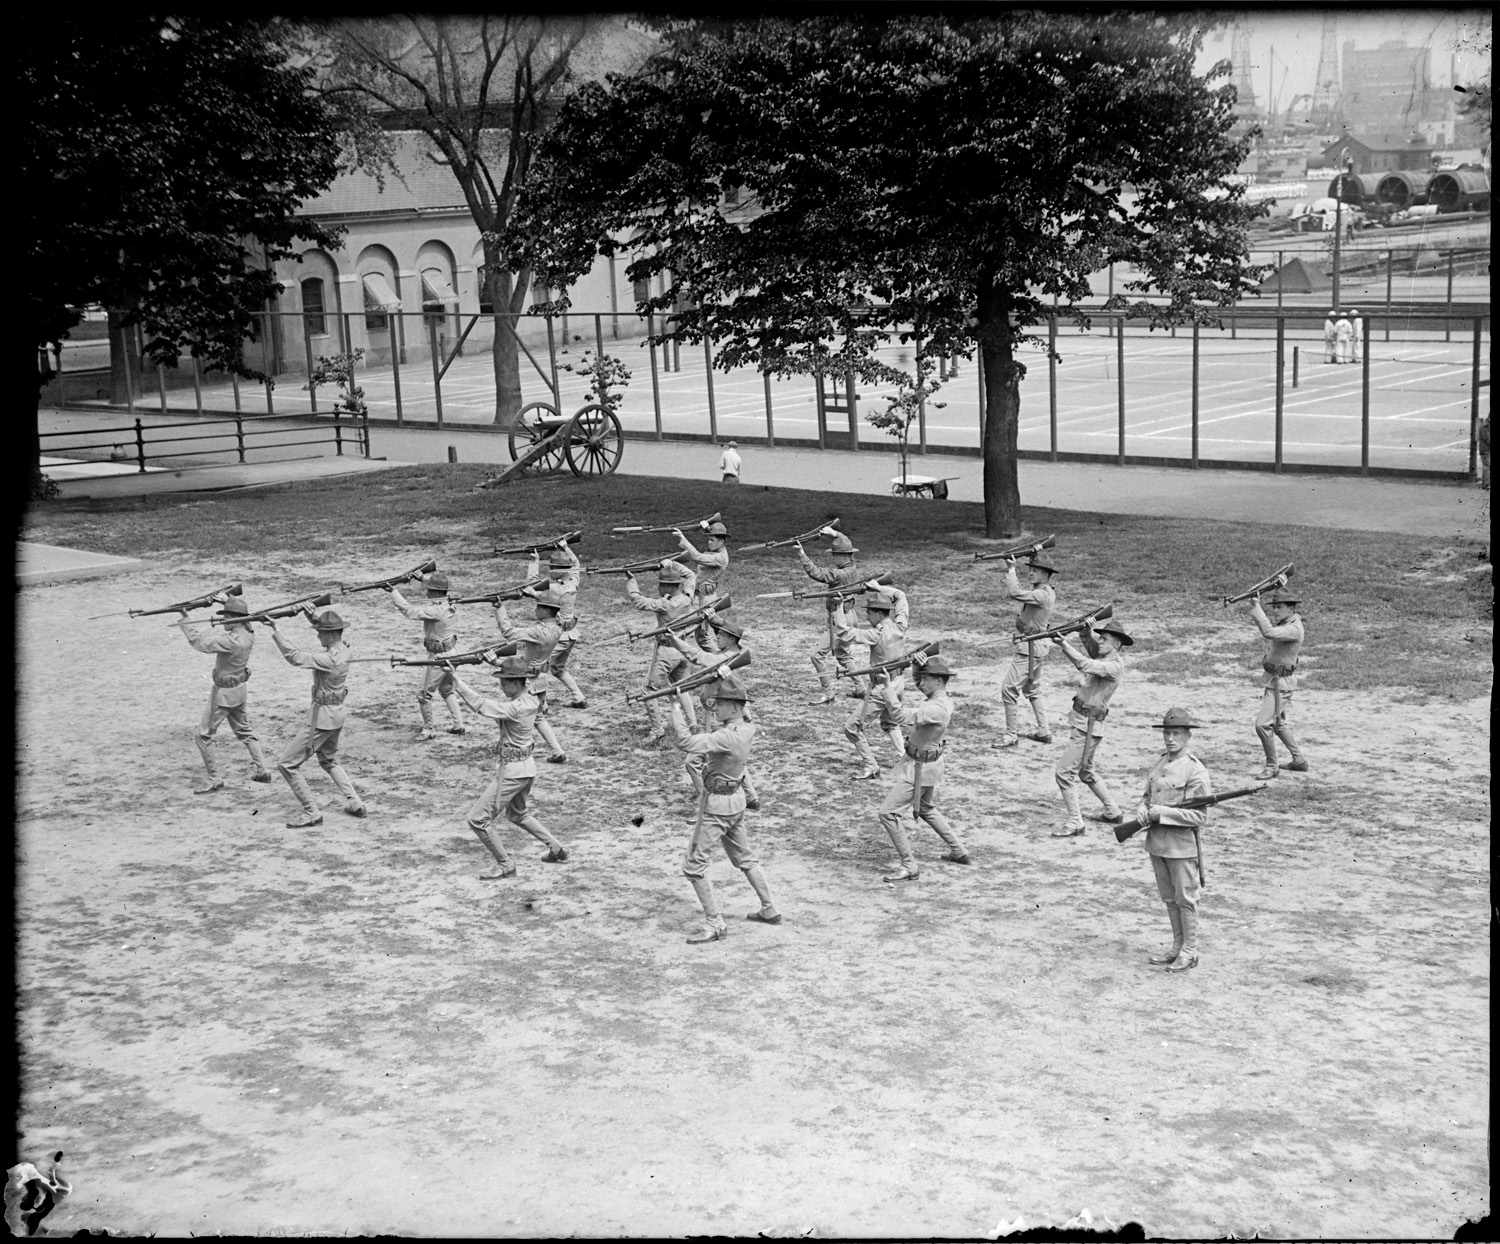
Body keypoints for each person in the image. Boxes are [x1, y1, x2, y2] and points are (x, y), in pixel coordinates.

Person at [666, 670, 779, 943]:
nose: (716, 705)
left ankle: (715, 923)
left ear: (736, 705)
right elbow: (734, 713)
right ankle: (768, 908)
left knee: (693, 866)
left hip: (716, 806)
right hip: (737, 801)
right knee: (745, 858)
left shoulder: (726, 736)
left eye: (722, 702)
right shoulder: (747, 728)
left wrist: (676, 706)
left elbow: (685, 742)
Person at [450, 654, 569, 880]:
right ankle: (557, 848)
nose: (501, 686)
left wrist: (457, 680)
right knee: (517, 814)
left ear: (516, 683)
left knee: (477, 819)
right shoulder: (531, 698)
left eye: (504, 681)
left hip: (513, 772)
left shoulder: (516, 707)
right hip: (526, 769)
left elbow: (480, 705)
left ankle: (506, 865)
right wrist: (497, 663)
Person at [874, 653, 970, 882]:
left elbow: (899, 715)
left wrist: (887, 687)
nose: (920, 683)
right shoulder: (940, 698)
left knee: (887, 813)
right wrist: (917, 665)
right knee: (926, 808)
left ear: (938, 680)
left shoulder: (937, 709)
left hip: (919, 768)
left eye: (925, 679)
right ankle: (959, 851)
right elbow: (919, 686)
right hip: (927, 763)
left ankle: (909, 865)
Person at [268, 606, 365, 828]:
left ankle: (312, 812)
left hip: (322, 718)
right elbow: (335, 638)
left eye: (320, 632)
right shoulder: (345, 649)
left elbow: (294, 657)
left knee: (287, 764)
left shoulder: (328, 659)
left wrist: (276, 629)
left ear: (330, 634)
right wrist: (312, 616)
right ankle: (355, 802)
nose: (317, 635)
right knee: (329, 760)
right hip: (337, 714)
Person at [1135, 708, 1213, 973]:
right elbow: (1147, 796)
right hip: (1158, 843)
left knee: (1186, 899)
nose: (1170, 739)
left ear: (1188, 735)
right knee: (1169, 899)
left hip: (1181, 847)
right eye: (1167, 733)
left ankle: (1189, 952)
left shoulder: (1195, 771)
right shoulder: (1159, 763)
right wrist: (1142, 809)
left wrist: (1162, 813)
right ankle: (1177, 947)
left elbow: (1198, 816)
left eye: (1176, 733)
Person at [176, 595, 272, 793]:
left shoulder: (231, 641)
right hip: (239, 691)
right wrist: (227, 603)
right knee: (245, 731)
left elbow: (200, 642)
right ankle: (262, 769)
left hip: (222, 695)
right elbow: (247, 621)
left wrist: (184, 618)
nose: (223, 620)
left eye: (226, 616)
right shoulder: (249, 634)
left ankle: (214, 778)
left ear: (235, 618)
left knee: (202, 736)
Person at [663, 614, 760, 808]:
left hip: (721, 716)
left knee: (692, 761)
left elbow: (699, 656)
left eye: (721, 635)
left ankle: (704, 798)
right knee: (733, 757)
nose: (717, 637)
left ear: (732, 639)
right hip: (727, 714)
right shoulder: (731, 655)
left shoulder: (727, 658)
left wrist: (675, 641)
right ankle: (751, 798)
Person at [1050, 617, 1133, 838]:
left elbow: (1085, 664)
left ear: (1116, 644)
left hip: (1087, 727)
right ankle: (1112, 811)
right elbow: (1091, 649)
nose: (1100, 641)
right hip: (1087, 724)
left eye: (1104, 639)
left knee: (1064, 773)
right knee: (1086, 771)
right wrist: (1085, 632)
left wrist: (1064, 645)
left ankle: (1075, 822)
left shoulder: (1112, 666)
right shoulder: (1105, 656)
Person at [833, 585, 911, 780]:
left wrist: (839, 606)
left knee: (852, 728)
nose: (867, 617)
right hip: (898, 684)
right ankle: (905, 759)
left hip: (881, 689)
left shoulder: (877, 634)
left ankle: (871, 766)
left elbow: (844, 632)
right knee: (890, 724)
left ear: (878, 613)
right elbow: (900, 595)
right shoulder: (900, 626)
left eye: (869, 613)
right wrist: (878, 587)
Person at [626, 558, 700, 743]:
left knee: (649, 690)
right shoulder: (687, 597)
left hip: (667, 652)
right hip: (683, 649)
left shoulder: (664, 604)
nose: (659, 588)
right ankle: (693, 724)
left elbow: (638, 601)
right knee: (680, 687)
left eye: (661, 585)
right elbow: (691, 575)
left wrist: (630, 580)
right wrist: (672, 565)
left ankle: (656, 730)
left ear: (668, 587)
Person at [493, 585, 569, 764]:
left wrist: (499, 608)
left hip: (527, 679)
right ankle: (557, 751)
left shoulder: (539, 631)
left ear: (547, 610)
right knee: (538, 717)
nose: (535, 609)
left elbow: (509, 633)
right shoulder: (558, 626)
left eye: (539, 607)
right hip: (542, 677)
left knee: (516, 713)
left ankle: (511, 744)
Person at [387, 570, 464, 739]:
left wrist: (393, 591)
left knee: (423, 693)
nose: (426, 592)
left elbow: (409, 611)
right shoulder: (448, 602)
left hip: (439, 658)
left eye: (429, 589)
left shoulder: (436, 610)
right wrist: (422, 578)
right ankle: (458, 725)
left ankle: (429, 729)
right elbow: (436, 590)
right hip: (451, 653)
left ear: (436, 592)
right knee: (446, 690)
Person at [994, 552, 1059, 748]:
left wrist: (1011, 569)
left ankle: (1011, 735)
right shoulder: (1043, 590)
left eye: (1036, 571)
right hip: (1035, 646)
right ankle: (1043, 731)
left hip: (1030, 648)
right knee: (1032, 689)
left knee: (1008, 688)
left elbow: (1014, 592)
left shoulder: (1041, 594)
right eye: (1030, 569)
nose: (1031, 573)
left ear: (1046, 575)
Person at [1248, 586, 1308, 779]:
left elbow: (1268, 632)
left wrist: (1255, 605)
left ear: (1291, 609)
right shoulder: (1288, 622)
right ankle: (1299, 761)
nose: (1275, 610)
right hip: (1275, 680)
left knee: (1262, 725)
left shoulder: (1292, 629)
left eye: (1279, 607)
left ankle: (1272, 766)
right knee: (1279, 724)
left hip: (1281, 685)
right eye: (1273, 607)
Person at [797, 531, 864, 703]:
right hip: (850, 615)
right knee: (843, 654)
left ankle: (828, 691)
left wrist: (802, 554)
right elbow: (846, 540)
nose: (833, 558)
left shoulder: (839, 574)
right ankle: (861, 688)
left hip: (840, 619)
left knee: (816, 654)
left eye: (835, 555)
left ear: (844, 556)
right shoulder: (852, 566)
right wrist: (834, 533)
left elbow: (817, 574)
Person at [529, 541, 587, 708]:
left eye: (553, 567)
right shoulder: (573, 580)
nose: (550, 570)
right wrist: (565, 547)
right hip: (570, 634)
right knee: (558, 668)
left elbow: (531, 585)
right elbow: (576, 563)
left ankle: (542, 705)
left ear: (561, 570)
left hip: (558, 636)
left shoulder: (555, 589)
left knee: (540, 665)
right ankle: (579, 698)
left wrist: (534, 562)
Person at [675, 518, 731, 596]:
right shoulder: (714, 552)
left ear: (721, 541)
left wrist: (683, 538)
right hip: (699, 593)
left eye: (712, 540)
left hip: (704, 596)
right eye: (708, 539)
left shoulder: (721, 557)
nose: (709, 542)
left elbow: (697, 557)